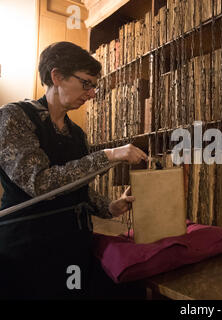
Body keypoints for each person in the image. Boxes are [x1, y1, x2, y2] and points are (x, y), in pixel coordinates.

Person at [0, 41, 148, 299]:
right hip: (27, 250)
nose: (91, 93)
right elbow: (40, 183)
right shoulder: (15, 117)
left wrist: (109, 207)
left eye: (94, 86)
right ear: (56, 76)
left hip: (73, 245)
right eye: (86, 83)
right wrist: (109, 155)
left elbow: (76, 187)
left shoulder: (77, 133)